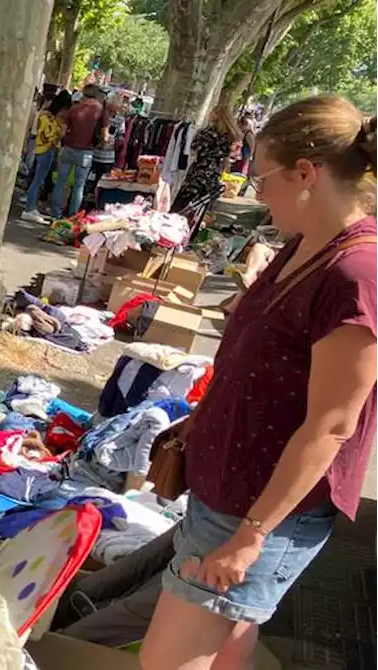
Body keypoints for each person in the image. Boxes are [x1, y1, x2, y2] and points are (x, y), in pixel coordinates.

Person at [140, 95, 378, 670]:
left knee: (165, 662)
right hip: (236, 495)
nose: (254, 191)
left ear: (306, 174)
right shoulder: (303, 246)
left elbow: (333, 424)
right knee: (226, 644)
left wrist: (251, 536)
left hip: (258, 512)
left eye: (260, 175)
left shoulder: (356, 271)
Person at [170, 104, 240, 214]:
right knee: (201, 205)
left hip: (200, 170)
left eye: (212, 112)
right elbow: (227, 156)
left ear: (217, 115)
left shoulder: (208, 132)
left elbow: (193, 149)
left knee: (184, 203)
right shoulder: (229, 136)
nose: (209, 114)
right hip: (214, 173)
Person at [51, 83, 106, 219]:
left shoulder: (74, 110)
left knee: (61, 182)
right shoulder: (101, 111)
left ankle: (55, 214)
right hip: (86, 152)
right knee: (79, 186)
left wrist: (59, 140)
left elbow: (62, 132)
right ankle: (73, 216)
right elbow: (105, 136)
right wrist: (101, 144)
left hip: (69, 148)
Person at [20, 90, 71, 223]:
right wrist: (61, 133)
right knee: (37, 180)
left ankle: (32, 206)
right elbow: (49, 136)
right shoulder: (46, 117)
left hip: (46, 150)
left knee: (40, 180)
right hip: (44, 150)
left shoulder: (50, 117)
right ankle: (29, 209)